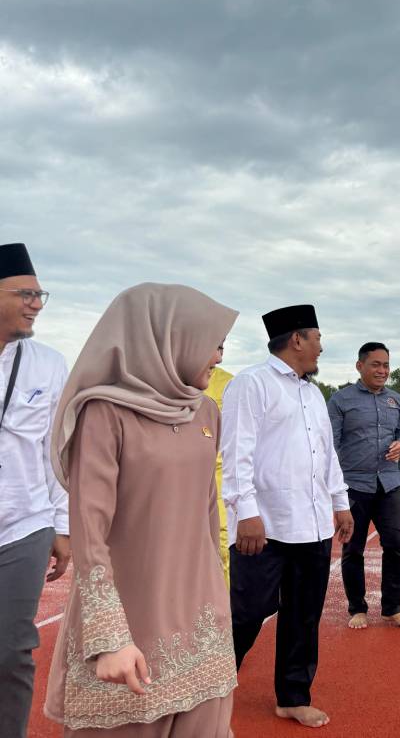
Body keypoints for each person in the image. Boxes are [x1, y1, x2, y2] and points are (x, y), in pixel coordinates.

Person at [45, 283, 239, 735]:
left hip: (201, 616)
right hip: (130, 619)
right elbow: (90, 534)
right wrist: (108, 638)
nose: (217, 356)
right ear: (167, 339)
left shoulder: (205, 411)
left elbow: (206, 510)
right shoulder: (104, 412)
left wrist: (219, 590)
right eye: (211, 343)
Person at [222, 305, 354, 729]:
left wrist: (340, 501)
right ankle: (209, 688)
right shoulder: (252, 384)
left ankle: (293, 696)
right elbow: (236, 453)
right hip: (266, 525)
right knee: (247, 611)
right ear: (297, 339)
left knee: (303, 615)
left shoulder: (313, 393)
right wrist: (246, 513)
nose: (321, 346)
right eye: (316, 337)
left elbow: (326, 454)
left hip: (312, 524)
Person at [0, 244, 69, 738]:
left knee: (10, 650)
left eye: (39, 294)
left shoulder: (47, 364)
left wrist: (61, 526)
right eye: (25, 294)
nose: (37, 304)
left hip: (22, 524)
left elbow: (57, 451)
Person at [328, 342, 400, 629]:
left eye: (386, 365)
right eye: (376, 364)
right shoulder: (341, 400)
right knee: (353, 548)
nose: (382, 370)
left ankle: (392, 607)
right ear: (360, 366)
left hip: (389, 483)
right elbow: (331, 444)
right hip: (354, 485)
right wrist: (334, 483)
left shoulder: (395, 399)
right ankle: (358, 608)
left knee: (395, 543)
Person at [205, 365, 234, 585]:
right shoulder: (166, 381)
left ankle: (225, 611)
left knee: (224, 543)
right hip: (180, 477)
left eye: (222, 346)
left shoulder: (229, 383)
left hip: (219, 474)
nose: (219, 355)